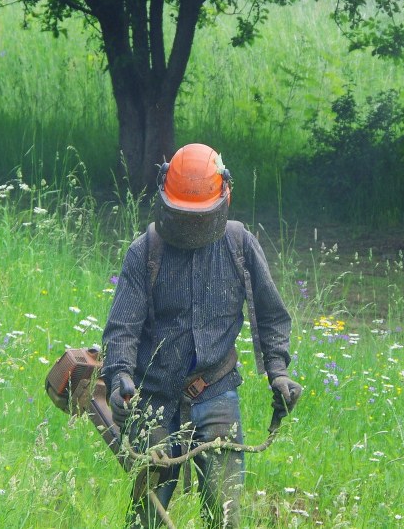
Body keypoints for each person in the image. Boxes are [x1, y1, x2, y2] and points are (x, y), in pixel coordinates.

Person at [101, 143, 303, 529]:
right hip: (154, 397)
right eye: (183, 216)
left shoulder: (240, 245)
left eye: (200, 217)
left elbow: (271, 315)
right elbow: (122, 329)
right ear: (164, 199)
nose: (192, 226)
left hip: (216, 391)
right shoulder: (145, 252)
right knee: (146, 515)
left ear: (224, 199)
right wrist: (120, 378)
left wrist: (278, 372)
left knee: (225, 514)